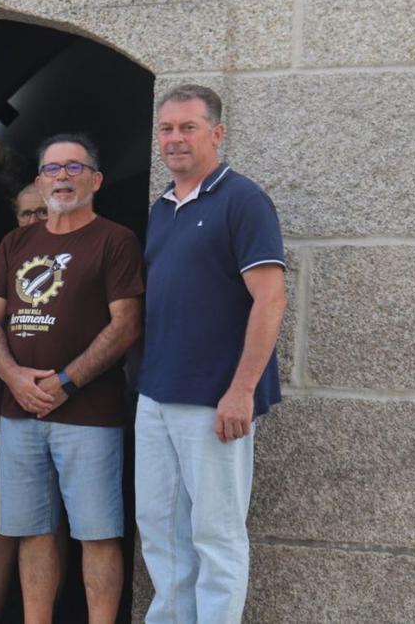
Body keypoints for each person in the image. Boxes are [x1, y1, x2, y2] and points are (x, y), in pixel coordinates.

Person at [0, 134, 144, 624]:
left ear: (96, 179)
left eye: (75, 168)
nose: (63, 177)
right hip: (19, 411)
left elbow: (127, 324)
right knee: (33, 531)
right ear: (37, 180)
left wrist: (65, 382)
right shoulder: (16, 242)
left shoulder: (115, 240)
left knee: (96, 533)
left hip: (89, 415)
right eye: (52, 169)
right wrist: (13, 377)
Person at [135, 85, 286, 624]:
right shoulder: (161, 208)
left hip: (215, 399)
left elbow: (270, 298)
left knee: (216, 534)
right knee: (160, 528)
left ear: (216, 133)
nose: (175, 139)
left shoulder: (243, 200)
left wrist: (242, 390)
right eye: (167, 129)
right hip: (156, 394)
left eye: (188, 127)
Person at [0, 183, 48, 624]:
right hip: (8, 400)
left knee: (48, 516)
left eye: (42, 212)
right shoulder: (6, 255)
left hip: (70, 404)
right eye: (25, 214)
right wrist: (9, 377)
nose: (34, 221)